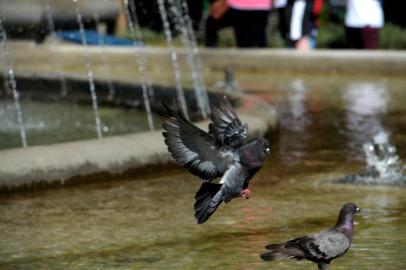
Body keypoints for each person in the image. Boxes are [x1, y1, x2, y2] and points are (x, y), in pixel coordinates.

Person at [205, 0, 271, 48]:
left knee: (211, 22)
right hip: (262, 7)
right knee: (256, 37)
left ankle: (210, 50)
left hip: (238, 6)